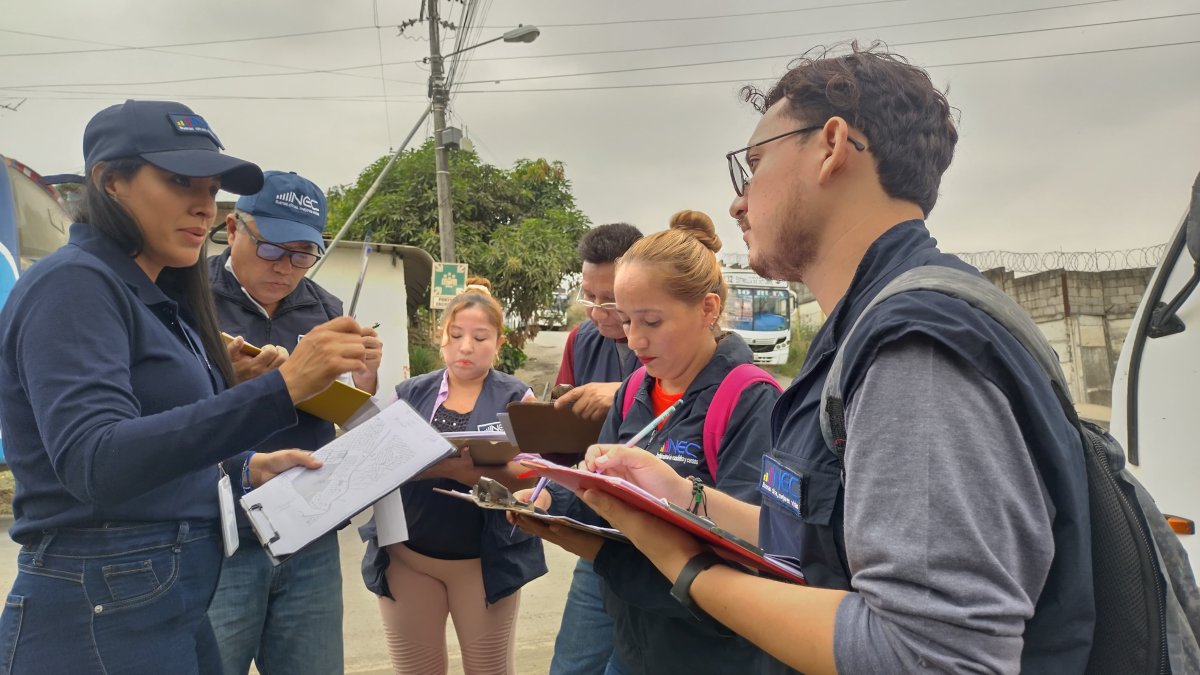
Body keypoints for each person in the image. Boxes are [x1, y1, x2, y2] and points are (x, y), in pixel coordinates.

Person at [562, 44, 1094, 674]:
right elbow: (816, 542)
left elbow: (933, 656)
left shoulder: (913, 348)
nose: (737, 203)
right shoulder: (859, 332)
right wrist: (681, 494)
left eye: (754, 164)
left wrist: (683, 565)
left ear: (832, 146)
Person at [0, 99, 368, 673]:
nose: (203, 204)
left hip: (160, 585)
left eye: (212, 187)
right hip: (102, 594)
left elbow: (156, 445)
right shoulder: (74, 284)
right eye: (179, 181)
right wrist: (284, 387)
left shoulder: (157, 295)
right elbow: (95, 460)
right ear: (110, 180)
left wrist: (244, 467)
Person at [516, 211, 783, 674]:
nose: (635, 340)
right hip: (632, 633)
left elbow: (754, 548)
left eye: (652, 322)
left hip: (708, 650)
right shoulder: (635, 389)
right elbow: (600, 491)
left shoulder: (750, 399)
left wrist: (674, 494)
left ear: (708, 310)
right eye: (626, 321)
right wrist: (550, 501)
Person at [205, 170, 383, 675]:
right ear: (234, 229)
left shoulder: (325, 309)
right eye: (271, 248)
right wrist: (232, 383)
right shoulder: (188, 299)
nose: (285, 268)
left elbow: (349, 411)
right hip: (218, 532)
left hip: (308, 528)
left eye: (303, 254)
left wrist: (364, 379)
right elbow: (163, 413)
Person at [359, 278, 546, 675]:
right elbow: (374, 454)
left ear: (499, 342)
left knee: (489, 669)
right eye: (456, 335)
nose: (466, 347)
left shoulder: (516, 398)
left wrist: (467, 472)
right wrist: (363, 384)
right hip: (407, 558)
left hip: (482, 562)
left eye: (480, 337)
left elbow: (533, 472)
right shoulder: (409, 393)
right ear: (440, 335)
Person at [546, 221, 642, 675]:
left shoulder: (676, 342)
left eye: (611, 299)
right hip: (600, 530)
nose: (598, 312)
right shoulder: (581, 339)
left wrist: (623, 393)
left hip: (657, 539)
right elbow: (565, 437)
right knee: (573, 663)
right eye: (589, 296)